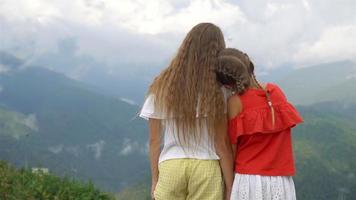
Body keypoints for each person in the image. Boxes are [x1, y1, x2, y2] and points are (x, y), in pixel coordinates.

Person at [139, 23, 234, 200]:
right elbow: (222, 144)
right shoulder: (219, 90)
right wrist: (230, 186)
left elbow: (154, 141)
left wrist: (155, 180)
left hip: (171, 166)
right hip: (206, 168)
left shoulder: (161, 86)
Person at [215, 48, 303, 200]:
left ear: (227, 84)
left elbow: (231, 150)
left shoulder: (235, 102)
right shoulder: (276, 92)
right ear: (250, 68)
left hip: (248, 180)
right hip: (281, 181)